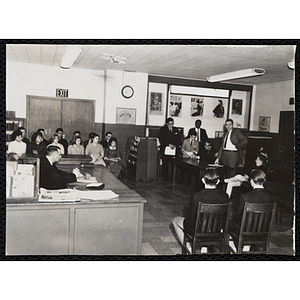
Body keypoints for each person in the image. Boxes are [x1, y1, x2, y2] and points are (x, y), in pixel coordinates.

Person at [172, 169, 229, 251]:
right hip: (217, 231)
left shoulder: (196, 196)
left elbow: (190, 219)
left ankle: (190, 250)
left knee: (175, 220)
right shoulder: (225, 196)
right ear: (218, 181)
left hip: (198, 231)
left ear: (203, 180)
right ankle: (204, 249)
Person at [159, 117, 181, 181]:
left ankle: (173, 178)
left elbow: (178, 139)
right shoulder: (163, 129)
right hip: (165, 149)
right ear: (167, 124)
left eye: (172, 123)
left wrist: (175, 145)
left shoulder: (176, 129)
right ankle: (165, 178)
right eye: (170, 124)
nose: (171, 125)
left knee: (173, 164)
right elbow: (161, 139)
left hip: (174, 150)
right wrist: (168, 144)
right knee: (165, 164)